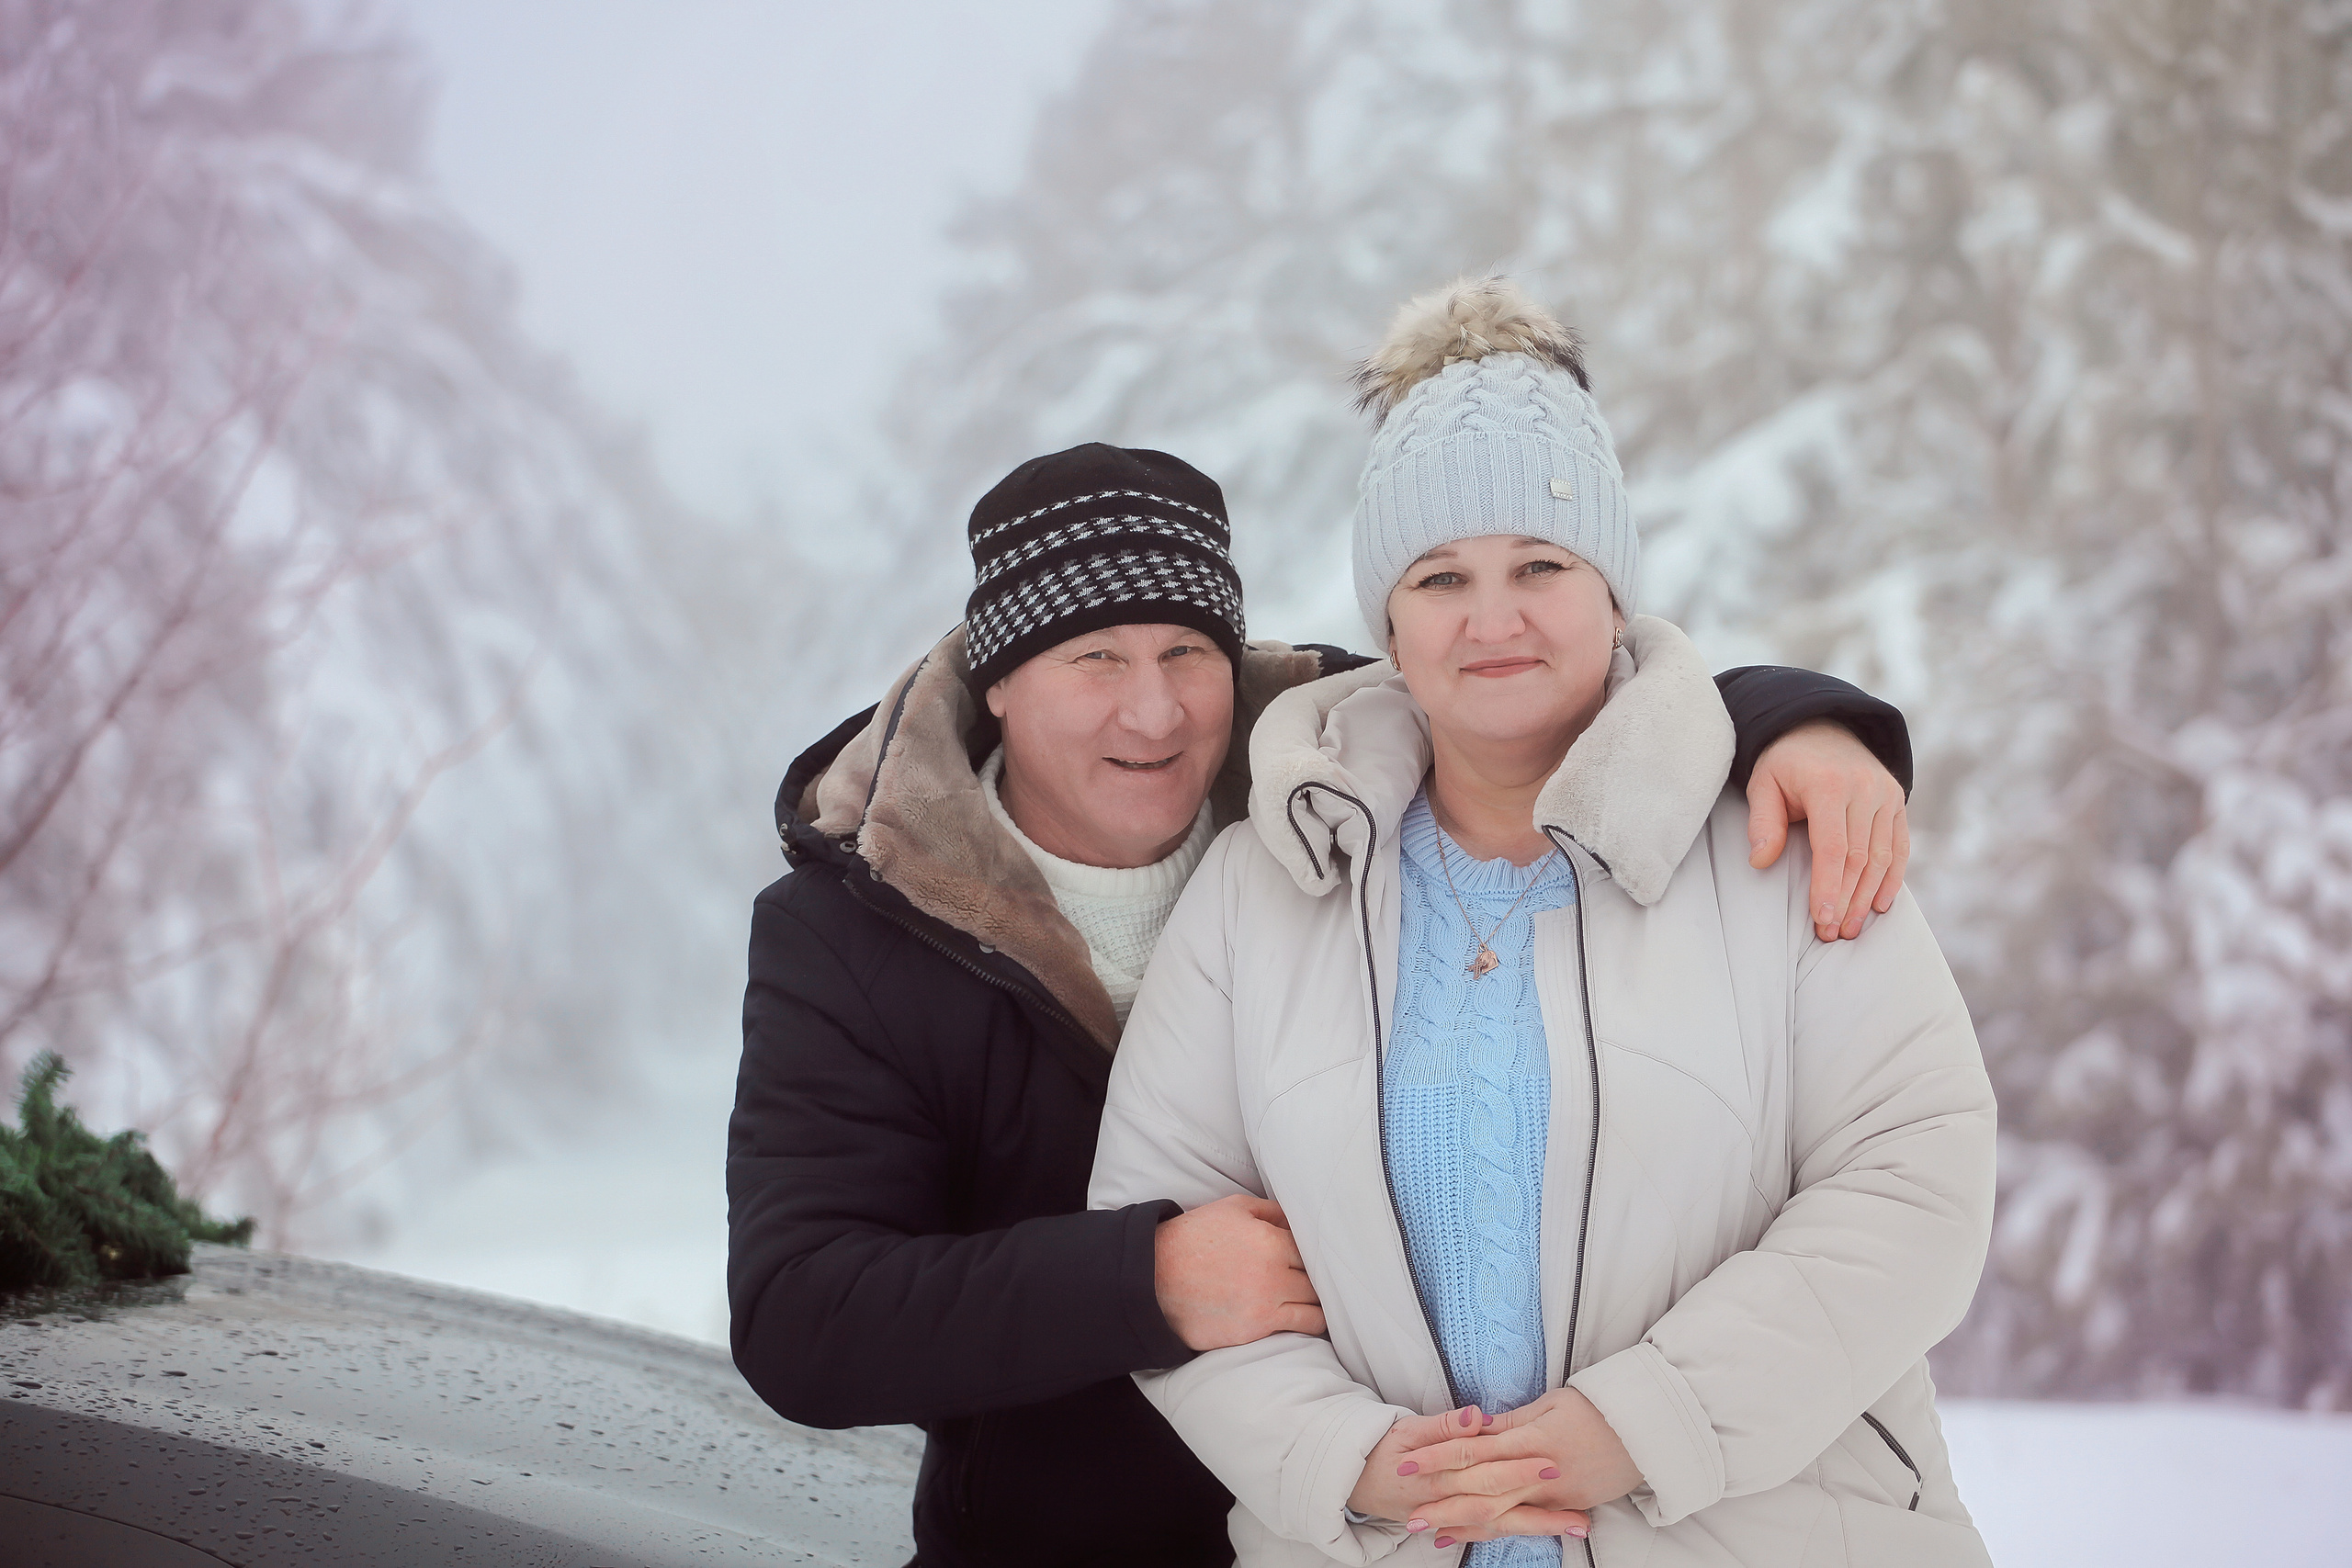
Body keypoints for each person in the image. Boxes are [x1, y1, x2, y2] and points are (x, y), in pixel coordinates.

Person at [729, 435, 1918, 1568]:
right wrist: (1141, 1284)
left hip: (1386, 1533)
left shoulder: (1330, 787)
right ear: (996, 683)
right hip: (1063, 1548)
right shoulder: (853, 932)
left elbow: (1547, 697)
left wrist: (1800, 727)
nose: (1153, 714)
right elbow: (803, 1317)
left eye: (1186, 656)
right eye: (1095, 659)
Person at [1089, 278, 1997, 1567]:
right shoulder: (1263, 889)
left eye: (1541, 565)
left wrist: (1639, 1427)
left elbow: (1915, 1188)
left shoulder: (1784, 839)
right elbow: (1164, 1233)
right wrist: (1351, 1463)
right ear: (1387, 624)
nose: (1493, 617)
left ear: (1613, 591)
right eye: (1442, 575)